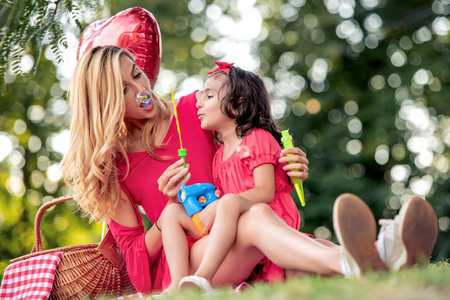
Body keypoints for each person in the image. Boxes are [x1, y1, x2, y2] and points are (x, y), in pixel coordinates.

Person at [62, 46, 438, 295]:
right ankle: (358, 258)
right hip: (189, 264)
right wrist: (164, 217)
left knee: (300, 243)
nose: (142, 89)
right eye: (125, 89)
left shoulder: (195, 109)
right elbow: (135, 266)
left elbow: (246, 153)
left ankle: (382, 258)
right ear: (107, 103)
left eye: (137, 74)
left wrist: (286, 164)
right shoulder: (112, 169)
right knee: (254, 217)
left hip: (238, 237)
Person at [158, 62, 320, 291]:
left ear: (237, 104)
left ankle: (203, 277)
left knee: (311, 257)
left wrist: (222, 204)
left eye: (209, 96)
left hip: (267, 223)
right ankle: (176, 285)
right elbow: (228, 201)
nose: (198, 102)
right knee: (171, 212)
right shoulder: (219, 157)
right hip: (236, 225)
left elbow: (265, 192)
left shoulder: (258, 138)